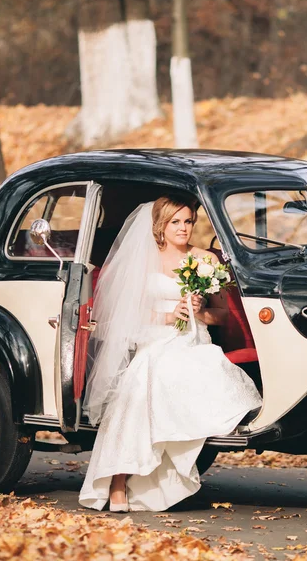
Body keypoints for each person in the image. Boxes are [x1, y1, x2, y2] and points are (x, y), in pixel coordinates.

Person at [79, 195, 262, 512]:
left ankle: (148, 477)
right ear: (160, 226)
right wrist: (168, 315)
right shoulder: (142, 258)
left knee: (182, 367)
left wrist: (200, 311)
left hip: (192, 340)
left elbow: (223, 315)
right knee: (141, 382)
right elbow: (125, 314)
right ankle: (118, 481)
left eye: (188, 221)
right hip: (151, 338)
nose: (183, 228)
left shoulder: (205, 260)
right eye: (175, 222)